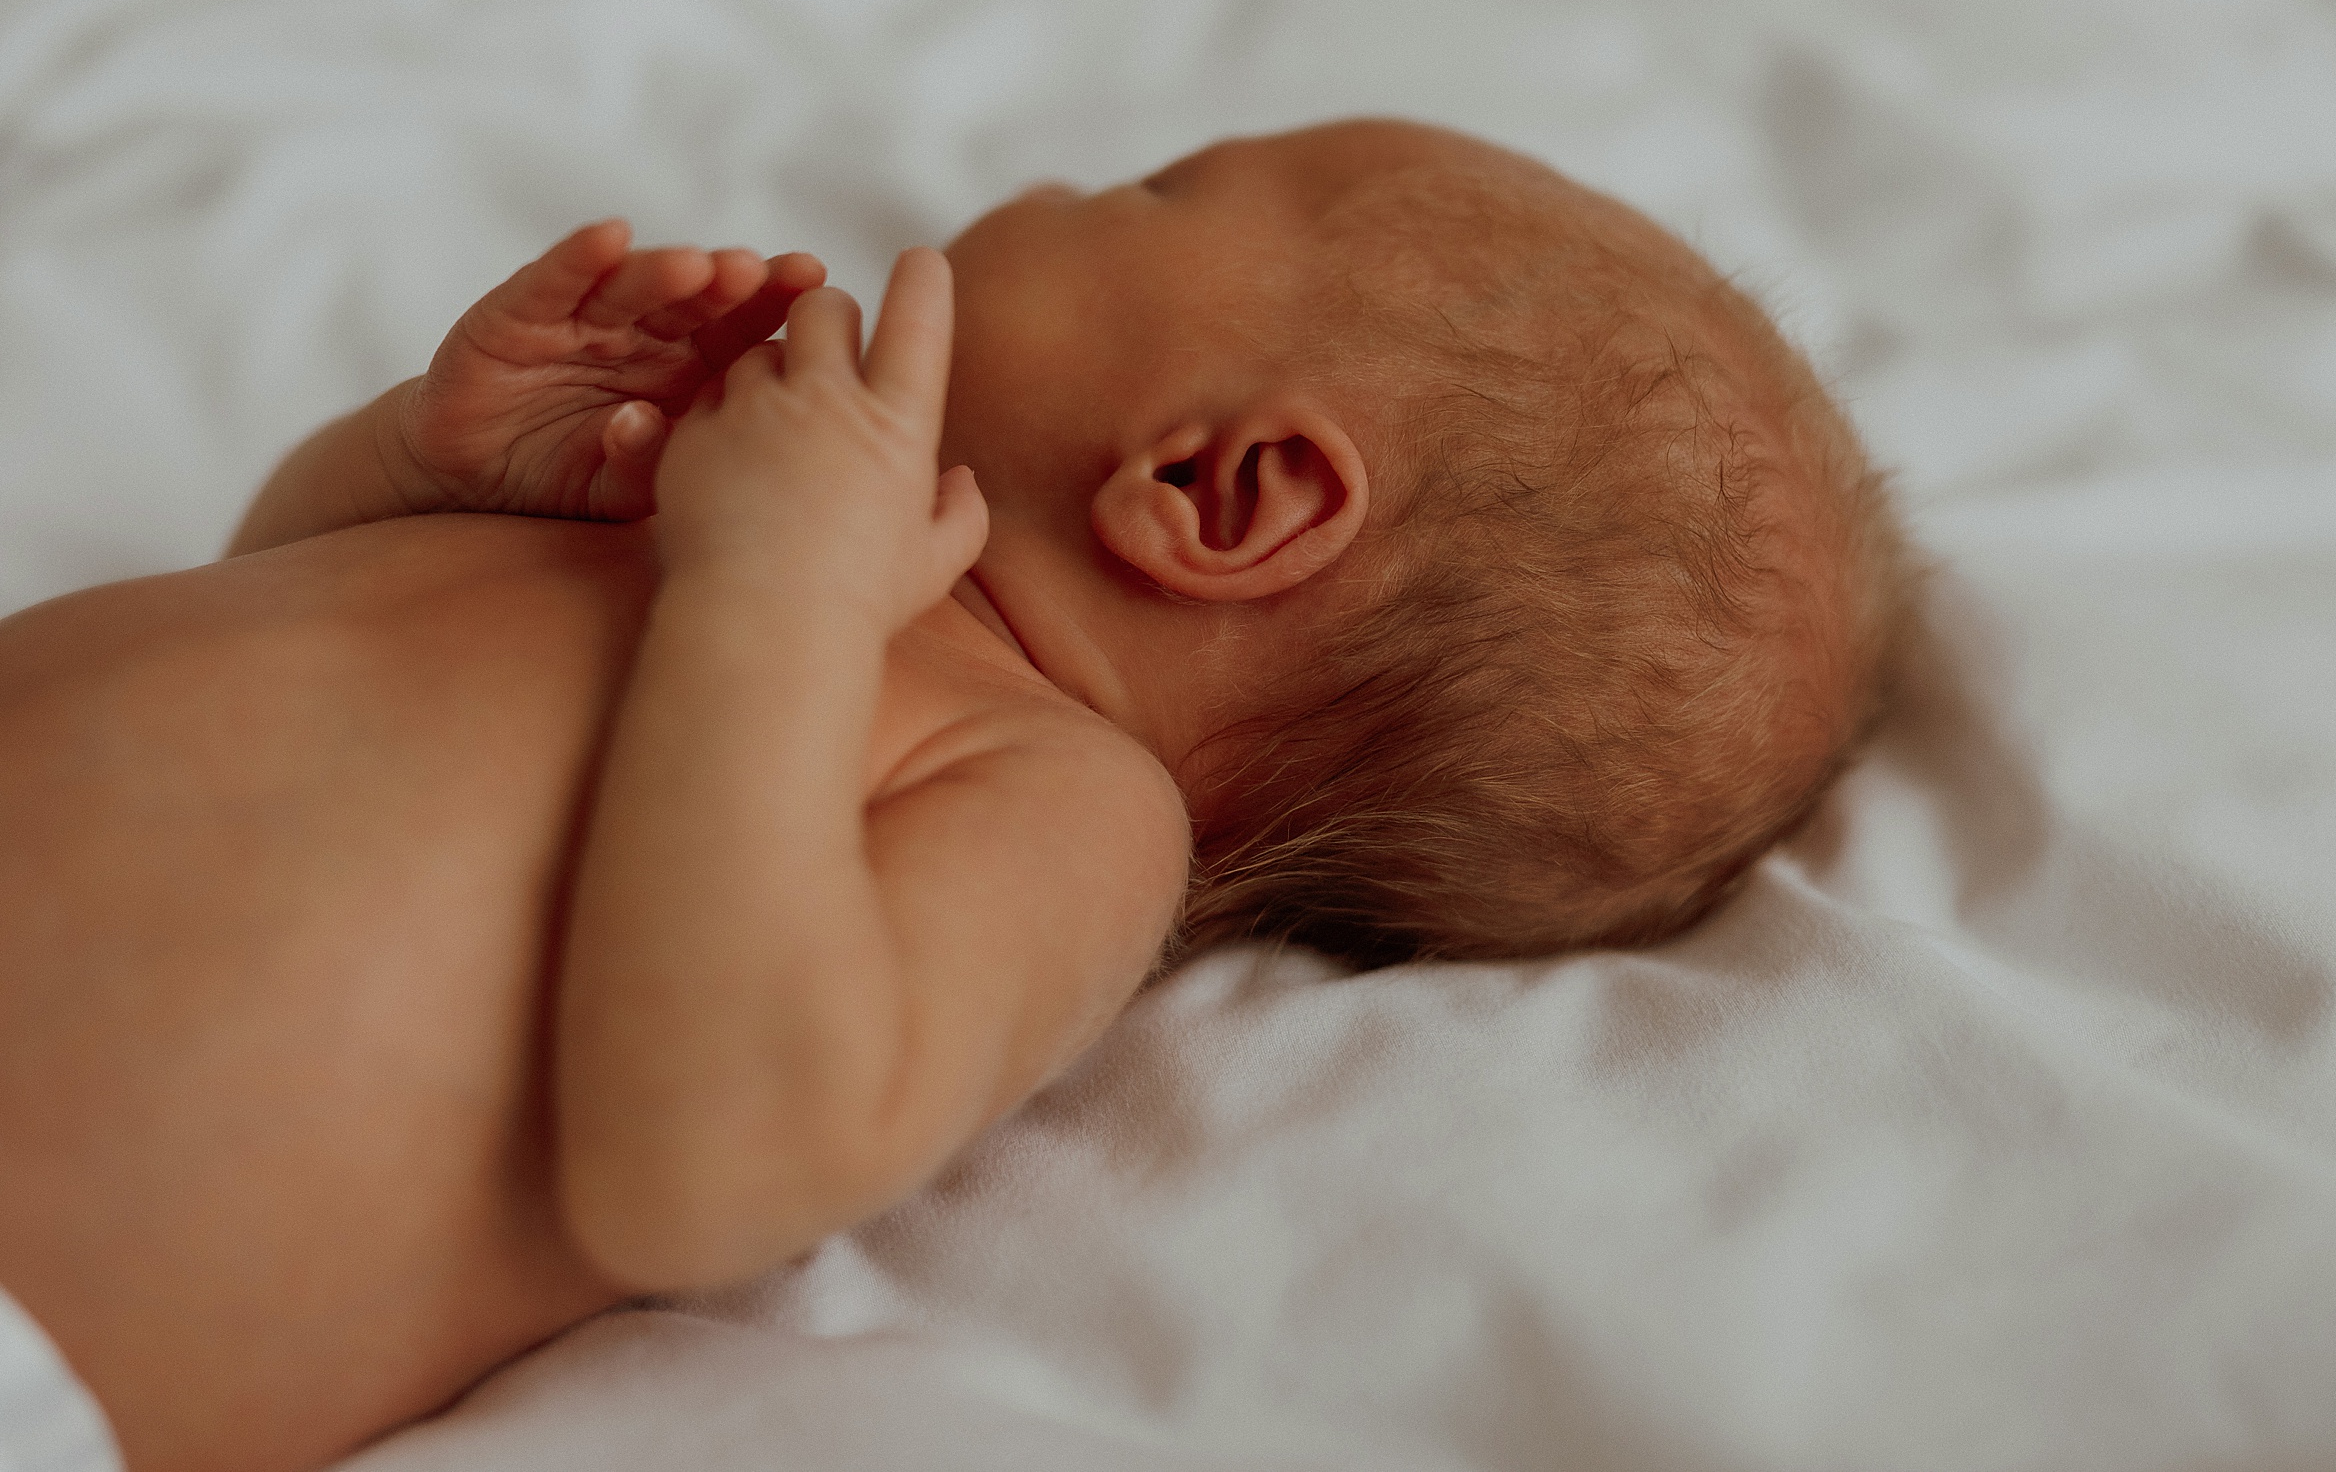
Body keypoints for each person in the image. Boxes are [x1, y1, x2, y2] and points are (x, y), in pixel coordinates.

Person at [0, 120, 1911, 1472]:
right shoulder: (738, 533)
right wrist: (411, 469)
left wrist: (779, 596)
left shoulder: (1055, 795)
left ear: (1225, 494)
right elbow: (256, 631)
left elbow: (712, 1162)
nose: (1055, 181)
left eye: (1163, 185)